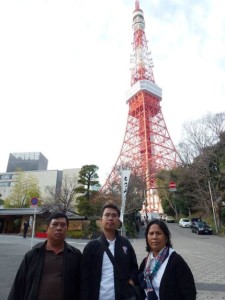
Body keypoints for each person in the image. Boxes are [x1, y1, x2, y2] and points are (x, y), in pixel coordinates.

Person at [8, 212, 82, 300]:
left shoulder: (75, 255)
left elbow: (82, 286)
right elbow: (18, 285)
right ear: (47, 228)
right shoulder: (33, 254)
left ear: (67, 229)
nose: (59, 228)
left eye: (63, 225)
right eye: (54, 224)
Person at [81, 203, 139, 300]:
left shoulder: (125, 244)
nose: (110, 218)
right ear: (101, 220)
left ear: (118, 221)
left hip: (122, 296)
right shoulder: (91, 247)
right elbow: (84, 277)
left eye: (114, 215)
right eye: (107, 215)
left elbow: (133, 267)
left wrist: (132, 279)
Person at [138, 219, 197, 300]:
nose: (154, 237)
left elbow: (189, 292)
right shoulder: (146, 261)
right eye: (151, 233)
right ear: (147, 238)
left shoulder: (176, 261)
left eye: (158, 233)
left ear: (166, 237)